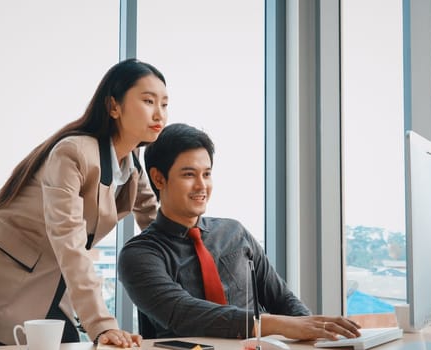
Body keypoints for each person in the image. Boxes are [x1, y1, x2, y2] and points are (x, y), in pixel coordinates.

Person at [0, 58, 168, 348]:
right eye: (148, 101)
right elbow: (69, 240)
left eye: (164, 104)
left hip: (47, 290)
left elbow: (159, 224)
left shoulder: (131, 167)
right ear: (114, 106)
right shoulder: (73, 153)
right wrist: (102, 325)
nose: (159, 113)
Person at [118, 123, 361, 341]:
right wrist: (279, 325)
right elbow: (183, 313)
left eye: (207, 173)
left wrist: (315, 333)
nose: (202, 185)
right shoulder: (140, 255)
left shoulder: (233, 232)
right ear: (159, 179)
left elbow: (282, 299)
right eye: (189, 174)